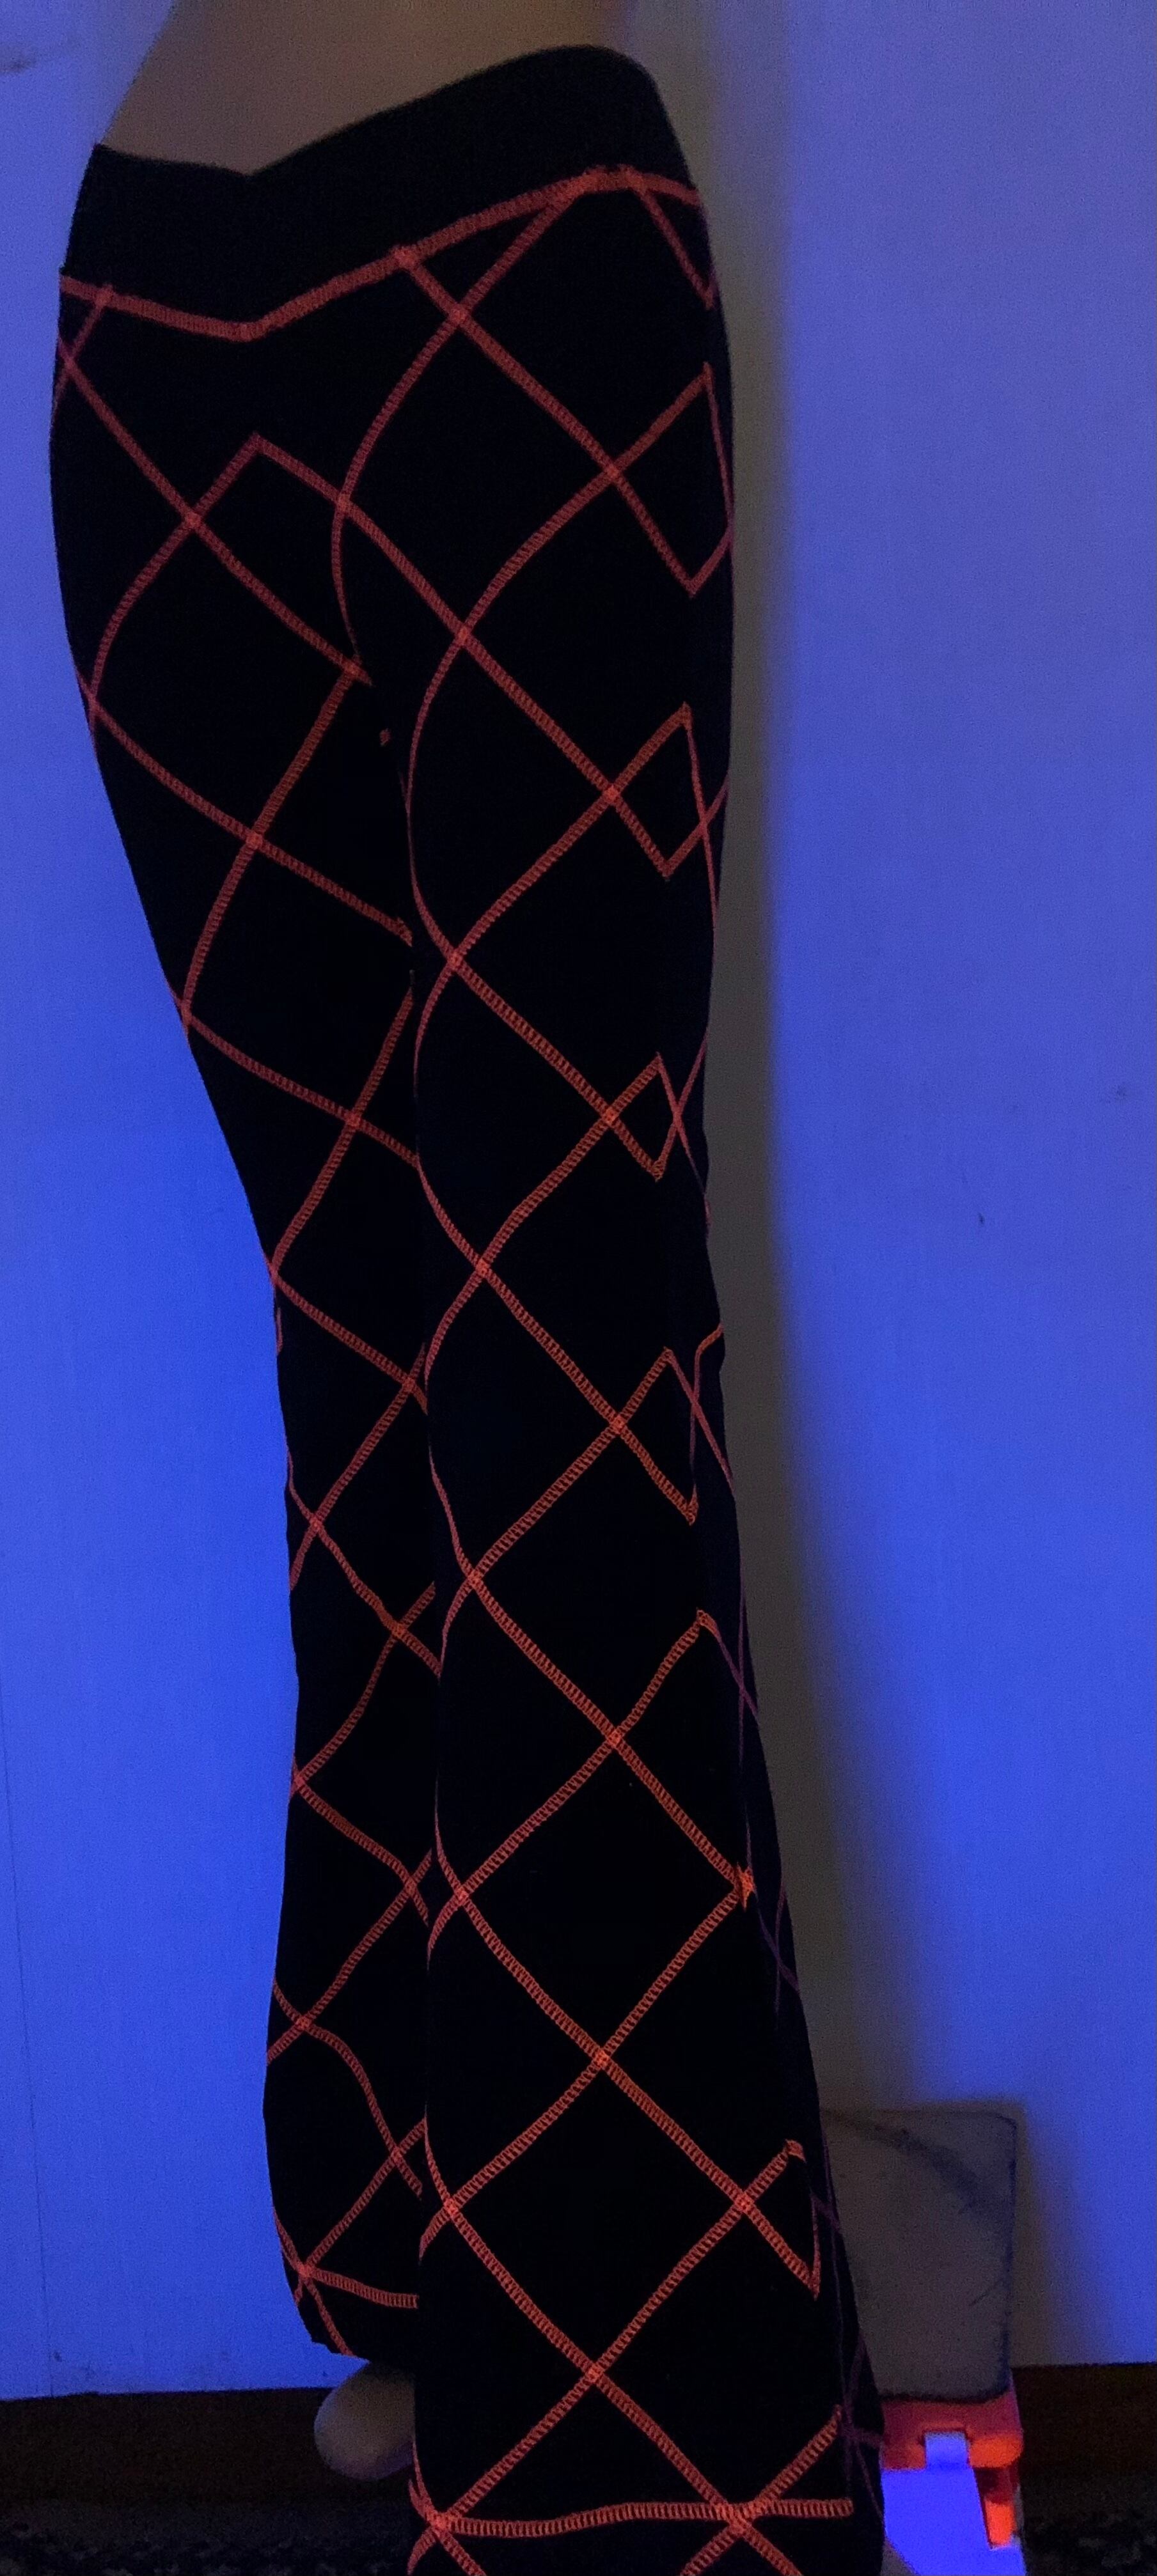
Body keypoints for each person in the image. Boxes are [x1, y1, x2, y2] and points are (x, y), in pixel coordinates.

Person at [49, 6, 887, 2567]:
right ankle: (533, 2362)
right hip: (312, 287)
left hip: (333, 268)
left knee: (495, 1357)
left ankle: (536, 2364)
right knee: (454, 1353)